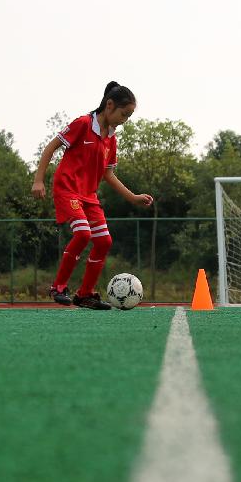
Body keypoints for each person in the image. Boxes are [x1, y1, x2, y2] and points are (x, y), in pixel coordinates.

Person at [32, 81, 153, 310]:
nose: (124, 120)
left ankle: (85, 294)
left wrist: (132, 197)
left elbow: (108, 174)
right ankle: (58, 287)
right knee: (83, 234)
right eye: (124, 114)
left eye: (128, 117)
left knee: (104, 241)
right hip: (67, 189)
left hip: (88, 196)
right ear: (109, 105)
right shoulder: (83, 124)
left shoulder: (111, 138)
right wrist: (38, 180)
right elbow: (50, 148)